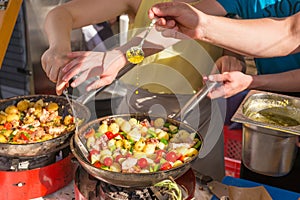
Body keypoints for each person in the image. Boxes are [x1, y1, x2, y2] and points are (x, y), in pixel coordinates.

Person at [42, 0, 228, 181]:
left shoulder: (222, 3)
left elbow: (240, 34)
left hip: (202, 110)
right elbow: (60, 14)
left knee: (206, 187)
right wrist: (59, 48)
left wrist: (233, 60)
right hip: (136, 113)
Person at [149, 1, 300, 192]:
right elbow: (286, 33)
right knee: (258, 188)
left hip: (278, 90)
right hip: (268, 98)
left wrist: (252, 81)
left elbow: (290, 34)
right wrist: (124, 52)